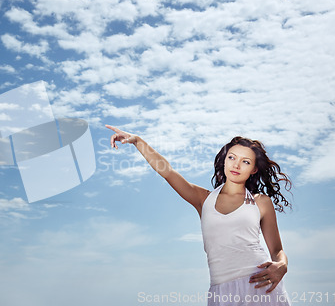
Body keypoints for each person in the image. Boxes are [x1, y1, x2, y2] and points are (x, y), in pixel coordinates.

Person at [105, 125, 292, 306]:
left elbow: (277, 250)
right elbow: (167, 172)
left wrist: (282, 265)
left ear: (254, 169)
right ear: (224, 160)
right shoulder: (204, 200)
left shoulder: (260, 202)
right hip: (221, 291)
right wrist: (137, 141)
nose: (236, 165)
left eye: (245, 161)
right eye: (232, 157)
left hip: (261, 286)